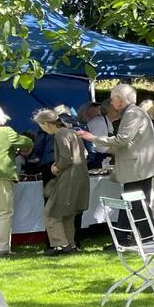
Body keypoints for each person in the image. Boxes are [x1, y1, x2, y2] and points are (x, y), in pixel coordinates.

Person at [79, 85, 154, 237]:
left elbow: (122, 139)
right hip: (139, 166)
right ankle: (127, 237)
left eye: (112, 99)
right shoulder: (134, 112)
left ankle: (146, 237)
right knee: (131, 203)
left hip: (137, 167)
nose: (111, 103)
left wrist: (93, 138)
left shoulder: (132, 113)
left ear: (119, 99)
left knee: (135, 203)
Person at [33, 109, 87, 255]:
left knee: (50, 212)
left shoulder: (60, 134)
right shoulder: (71, 132)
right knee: (68, 214)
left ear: (46, 124)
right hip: (79, 177)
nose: (42, 129)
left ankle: (60, 245)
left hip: (67, 178)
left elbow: (66, 158)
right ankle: (70, 245)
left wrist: (56, 167)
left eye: (41, 126)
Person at [0, 106, 32, 256]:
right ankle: (3, 249)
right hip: (1, 175)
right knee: (4, 214)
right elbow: (26, 142)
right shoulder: (6, 132)